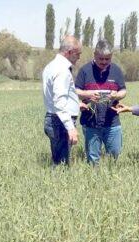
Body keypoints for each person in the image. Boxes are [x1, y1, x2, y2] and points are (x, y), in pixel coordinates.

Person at [75, 39, 126, 164]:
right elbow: (75, 91)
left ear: (111, 57)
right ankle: (94, 178)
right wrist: (88, 94)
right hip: (91, 121)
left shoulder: (116, 70)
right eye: (101, 59)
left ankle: (111, 176)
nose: (104, 62)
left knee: (115, 153)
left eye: (107, 59)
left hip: (112, 120)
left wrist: (116, 96)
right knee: (93, 158)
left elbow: (123, 91)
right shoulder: (85, 71)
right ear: (95, 55)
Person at [42, 36, 82, 165]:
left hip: (54, 118)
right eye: (78, 54)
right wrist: (70, 127)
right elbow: (59, 102)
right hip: (60, 123)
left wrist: (76, 104)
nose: (79, 57)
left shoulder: (51, 66)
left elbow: (55, 96)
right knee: (61, 166)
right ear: (70, 52)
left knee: (59, 162)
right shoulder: (62, 70)